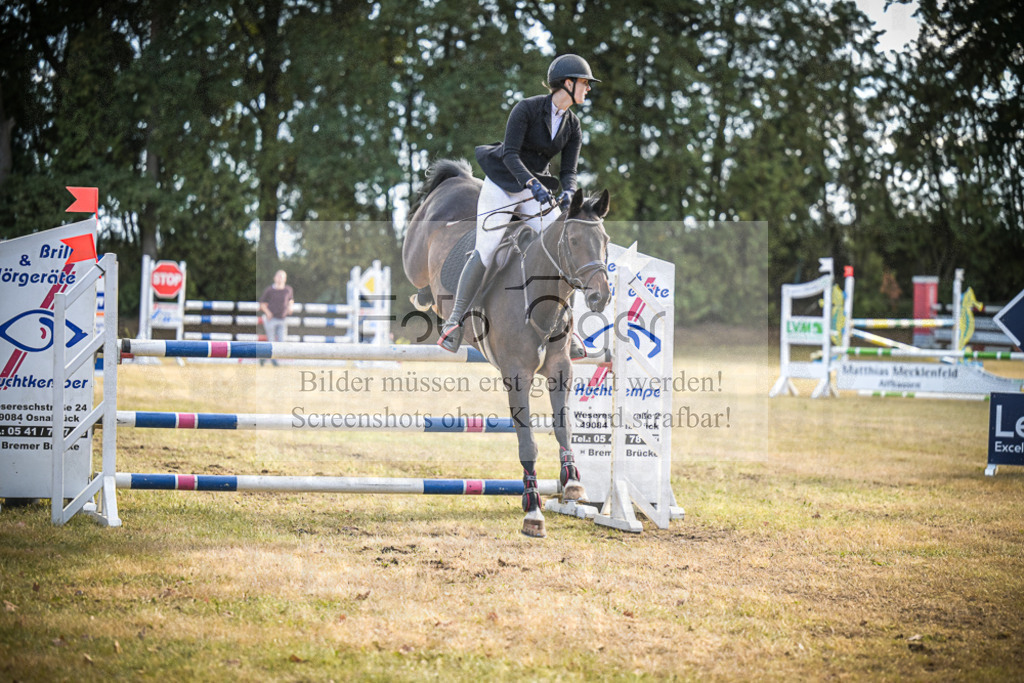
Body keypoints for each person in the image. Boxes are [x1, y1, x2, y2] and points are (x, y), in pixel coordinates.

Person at [437, 54, 600, 353]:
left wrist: (568, 192)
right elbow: (510, 154)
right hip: (503, 182)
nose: (588, 88)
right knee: (487, 248)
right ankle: (454, 322)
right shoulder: (526, 108)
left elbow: (569, 171)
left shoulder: (573, 125)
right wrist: (532, 184)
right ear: (567, 83)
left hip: (534, 190)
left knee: (564, 244)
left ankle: (569, 328)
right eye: (584, 83)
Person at [259, 270, 294, 365]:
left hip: (282, 319)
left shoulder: (288, 289)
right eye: (278, 276)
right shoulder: (269, 290)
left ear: (285, 279)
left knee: (282, 341)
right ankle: (273, 360)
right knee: (271, 341)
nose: (280, 279)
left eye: (282, 277)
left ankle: (265, 358)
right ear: (274, 278)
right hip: (271, 319)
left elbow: (290, 300)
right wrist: (268, 313)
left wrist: (290, 306)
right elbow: (262, 303)